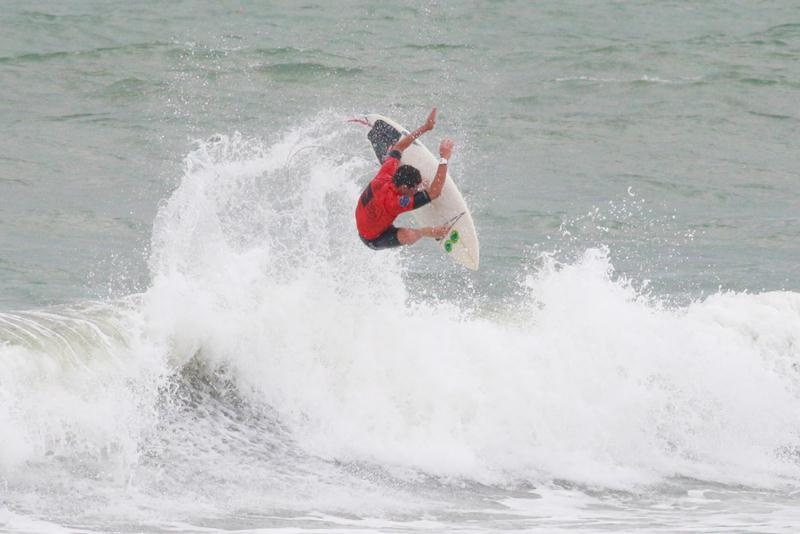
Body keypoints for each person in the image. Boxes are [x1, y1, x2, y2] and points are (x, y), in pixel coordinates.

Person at [355, 108, 454, 250]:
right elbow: (435, 192)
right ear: (404, 189)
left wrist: (425, 127)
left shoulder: (386, 174)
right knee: (409, 236)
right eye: (415, 188)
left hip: (367, 218)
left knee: (394, 154)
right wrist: (444, 158)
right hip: (374, 238)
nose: (417, 190)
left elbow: (399, 147)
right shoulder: (396, 202)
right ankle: (426, 232)